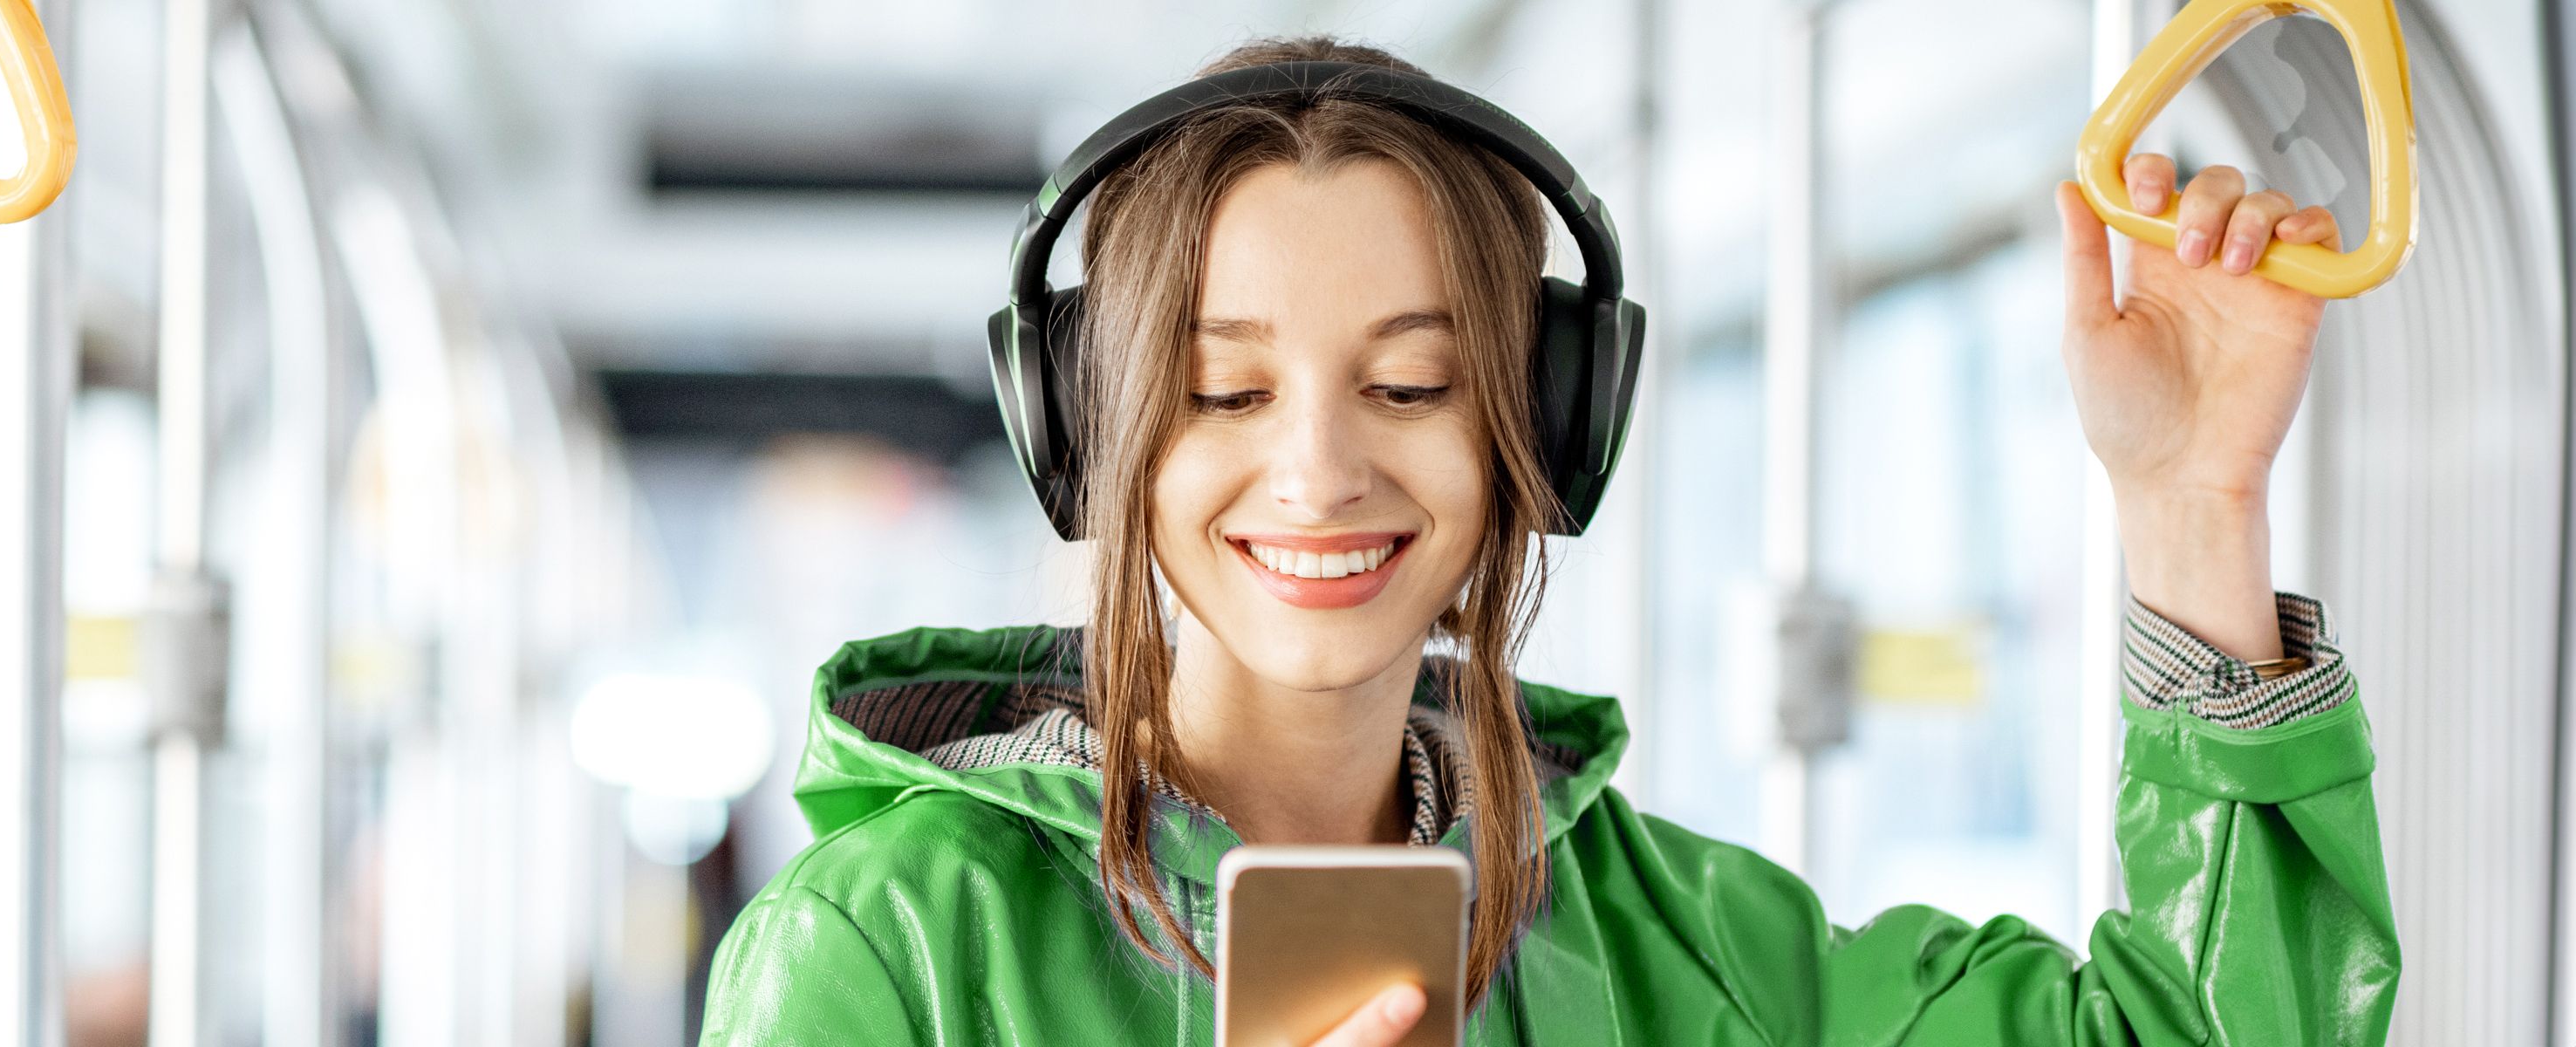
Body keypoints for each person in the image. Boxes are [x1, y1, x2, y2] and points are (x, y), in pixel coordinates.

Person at [697, 34, 2395, 1047]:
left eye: (1414, 382)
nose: (1319, 470)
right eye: (1224, 394)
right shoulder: (885, 950)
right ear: (1094, 436)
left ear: (1543, 431)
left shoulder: (1678, 953)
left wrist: (2192, 506)